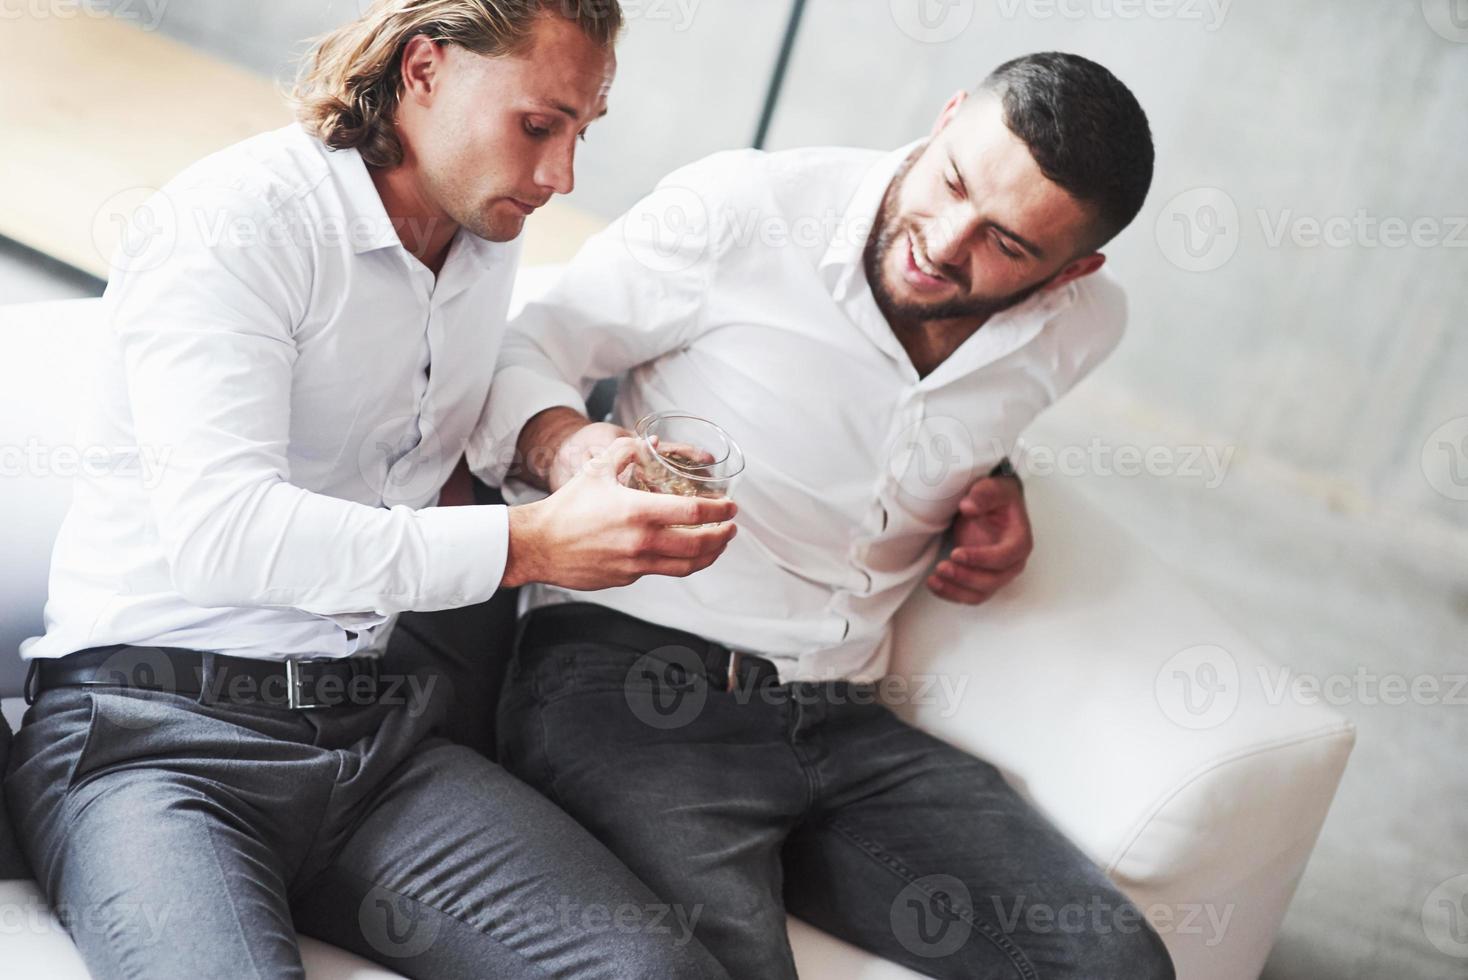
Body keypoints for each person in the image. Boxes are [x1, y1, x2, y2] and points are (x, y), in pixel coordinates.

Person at [4, 3, 737, 977]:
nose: (560, 176)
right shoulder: (237, 223)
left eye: (580, 134)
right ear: (424, 68)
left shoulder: (479, 226)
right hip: (155, 737)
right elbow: (222, 531)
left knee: (658, 971)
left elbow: (466, 382)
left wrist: (560, 442)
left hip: (368, 734)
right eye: (537, 124)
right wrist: (528, 544)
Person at [481, 52, 1177, 979]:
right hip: (634, 682)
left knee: (1117, 965)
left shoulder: (1085, 325)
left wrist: (997, 485)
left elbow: (927, 418)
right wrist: (572, 448)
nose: (945, 242)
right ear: (948, 114)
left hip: (848, 718)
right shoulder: (745, 209)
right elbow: (524, 345)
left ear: (1072, 270)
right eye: (953, 181)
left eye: (1006, 244)